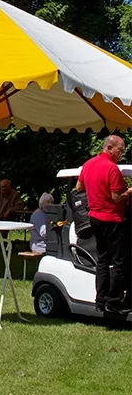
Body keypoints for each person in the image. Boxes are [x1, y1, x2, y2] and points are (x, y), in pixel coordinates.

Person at [81, 135, 128, 315]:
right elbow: (117, 197)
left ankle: (100, 301)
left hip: (94, 218)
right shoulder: (111, 168)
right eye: (120, 150)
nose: (121, 154)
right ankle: (114, 301)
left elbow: (79, 187)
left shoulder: (89, 164)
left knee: (102, 260)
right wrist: (130, 191)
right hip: (112, 219)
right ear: (109, 148)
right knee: (119, 262)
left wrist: (96, 191)